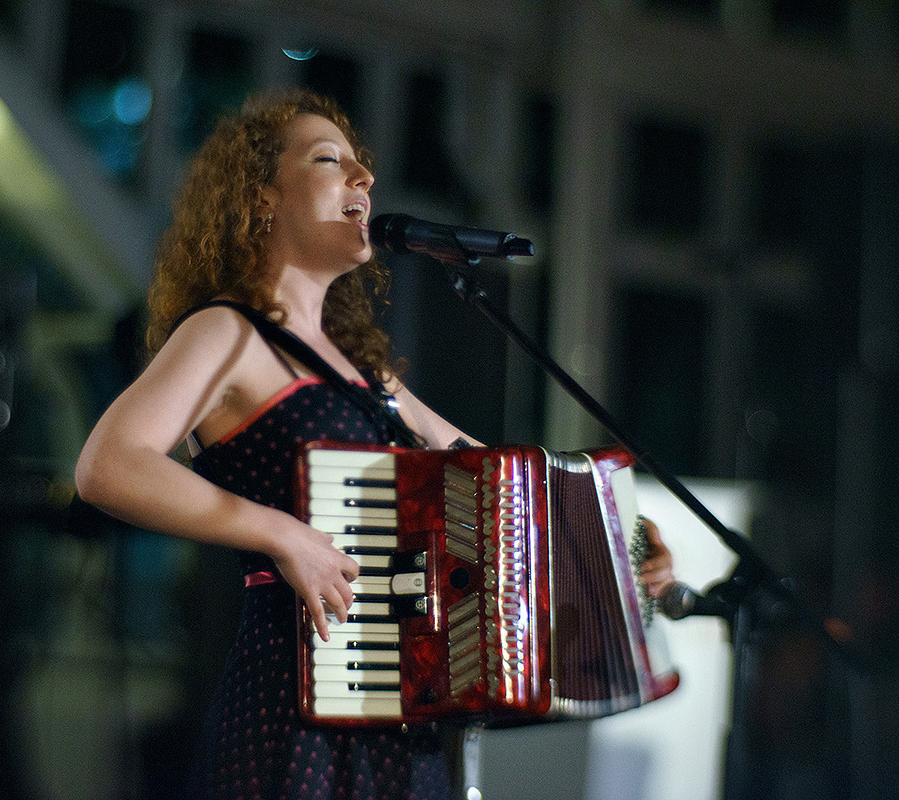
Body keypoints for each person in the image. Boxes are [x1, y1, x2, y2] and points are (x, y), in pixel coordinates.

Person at [74, 89, 675, 800]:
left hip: (401, 721)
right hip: (293, 711)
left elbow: (502, 481)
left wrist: (621, 540)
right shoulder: (226, 332)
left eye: (365, 166)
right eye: (331, 161)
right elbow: (108, 464)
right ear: (261, 197)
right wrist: (280, 534)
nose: (364, 179)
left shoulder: (368, 375)